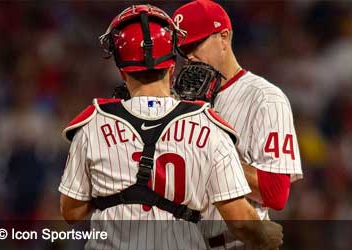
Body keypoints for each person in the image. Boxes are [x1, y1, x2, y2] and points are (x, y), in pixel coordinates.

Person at [58, 4, 283, 250]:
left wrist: (115, 191)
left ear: (122, 73)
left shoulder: (93, 124)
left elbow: (71, 212)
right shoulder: (209, 126)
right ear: (171, 67)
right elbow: (239, 220)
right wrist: (264, 234)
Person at [173, 0, 303, 248]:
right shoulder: (177, 99)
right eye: (182, 49)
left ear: (224, 37)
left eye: (195, 44)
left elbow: (275, 193)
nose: (188, 56)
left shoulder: (265, 97)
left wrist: (207, 152)